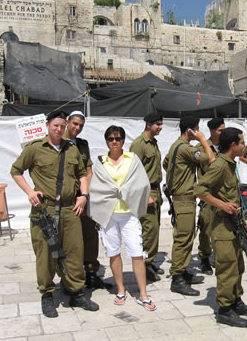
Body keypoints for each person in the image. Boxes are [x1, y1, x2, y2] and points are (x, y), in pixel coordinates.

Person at [11, 110, 99, 318]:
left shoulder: (72, 149)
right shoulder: (35, 149)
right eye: (55, 126)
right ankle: (47, 295)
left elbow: (82, 174)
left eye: (62, 126)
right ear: (48, 125)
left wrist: (84, 195)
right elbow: (16, 171)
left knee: (75, 252)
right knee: (46, 254)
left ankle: (76, 292)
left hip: (70, 209)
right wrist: (30, 192)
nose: (59, 129)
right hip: (45, 210)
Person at [195, 127, 247, 328]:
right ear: (233, 145)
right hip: (222, 225)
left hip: (234, 223)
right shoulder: (220, 165)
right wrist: (221, 204)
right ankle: (224, 309)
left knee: (237, 265)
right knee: (226, 267)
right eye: (242, 142)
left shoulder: (230, 165)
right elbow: (198, 189)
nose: (244, 146)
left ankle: (236, 301)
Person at [89, 125, 156, 311]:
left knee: (136, 252)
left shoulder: (132, 159)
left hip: (129, 213)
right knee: (113, 252)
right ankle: (120, 289)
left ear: (123, 140)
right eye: (110, 139)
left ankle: (143, 293)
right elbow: (97, 186)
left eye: (118, 138)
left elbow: (141, 182)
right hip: (109, 214)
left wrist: (125, 191)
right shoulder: (101, 161)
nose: (114, 142)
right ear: (106, 141)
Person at [163, 115, 215, 296]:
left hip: (183, 198)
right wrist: (202, 140)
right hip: (183, 199)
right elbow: (210, 158)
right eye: (197, 128)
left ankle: (183, 271)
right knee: (183, 239)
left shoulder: (175, 146)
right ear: (190, 130)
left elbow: (165, 163)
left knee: (186, 237)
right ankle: (177, 278)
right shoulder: (186, 148)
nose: (200, 132)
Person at [64, 110, 110, 290]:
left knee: (90, 235)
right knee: (70, 240)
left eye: (81, 125)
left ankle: (91, 273)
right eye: (75, 124)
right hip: (68, 199)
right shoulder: (59, 143)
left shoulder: (83, 145)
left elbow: (88, 170)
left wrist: (86, 194)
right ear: (68, 122)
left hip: (84, 197)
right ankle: (70, 277)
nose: (77, 128)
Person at [129, 112, 164, 282]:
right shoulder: (139, 144)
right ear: (148, 124)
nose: (160, 127)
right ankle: (145, 264)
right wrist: (145, 195)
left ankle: (149, 261)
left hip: (156, 190)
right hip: (146, 191)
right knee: (149, 229)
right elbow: (133, 172)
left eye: (161, 124)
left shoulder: (153, 143)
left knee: (154, 229)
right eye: (157, 124)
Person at [197, 117, 225, 275]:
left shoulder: (226, 146)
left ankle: (220, 255)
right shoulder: (201, 147)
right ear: (212, 131)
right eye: (221, 130)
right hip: (208, 195)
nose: (223, 132)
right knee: (206, 227)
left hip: (223, 194)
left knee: (223, 227)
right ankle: (204, 258)